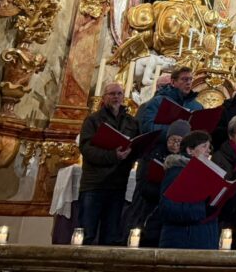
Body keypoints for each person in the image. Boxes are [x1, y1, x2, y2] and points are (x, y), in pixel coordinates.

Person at [78, 82, 138, 245]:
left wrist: (132, 154)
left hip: (117, 184)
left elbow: (135, 146)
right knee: (86, 233)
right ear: (104, 97)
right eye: (112, 94)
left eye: (119, 94)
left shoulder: (131, 122)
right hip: (94, 184)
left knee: (111, 235)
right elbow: (86, 149)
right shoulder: (93, 120)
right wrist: (113, 155)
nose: (116, 97)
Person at [124, 118, 189, 245]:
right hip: (148, 208)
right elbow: (142, 184)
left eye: (179, 141)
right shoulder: (152, 154)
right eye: (172, 140)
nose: (175, 144)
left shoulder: (186, 160)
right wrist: (164, 193)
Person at [158, 130, 220, 250]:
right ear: (190, 150)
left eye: (209, 147)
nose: (208, 151)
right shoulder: (177, 173)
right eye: (204, 146)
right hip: (183, 242)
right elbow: (168, 208)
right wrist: (203, 209)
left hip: (202, 241)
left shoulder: (206, 173)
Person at [139, 66, 203, 142]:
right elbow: (147, 128)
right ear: (173, 82)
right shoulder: (158, 101)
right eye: (184, 79)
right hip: (162, 147)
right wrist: (175, 131)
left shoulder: (198, 106)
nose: (188, 83)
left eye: (190, 79)